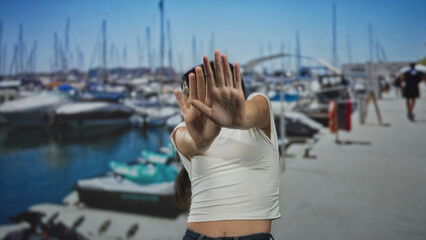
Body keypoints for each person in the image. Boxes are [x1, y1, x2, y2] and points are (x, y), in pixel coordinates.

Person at [170, 50, 280, 240]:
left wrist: (239, 118)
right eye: (187, 95)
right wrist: (201, 141)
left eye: (197, 92)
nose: (190, 102)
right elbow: (188, 142)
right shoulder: (184, 131)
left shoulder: (258, 108)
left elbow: (253, 112)